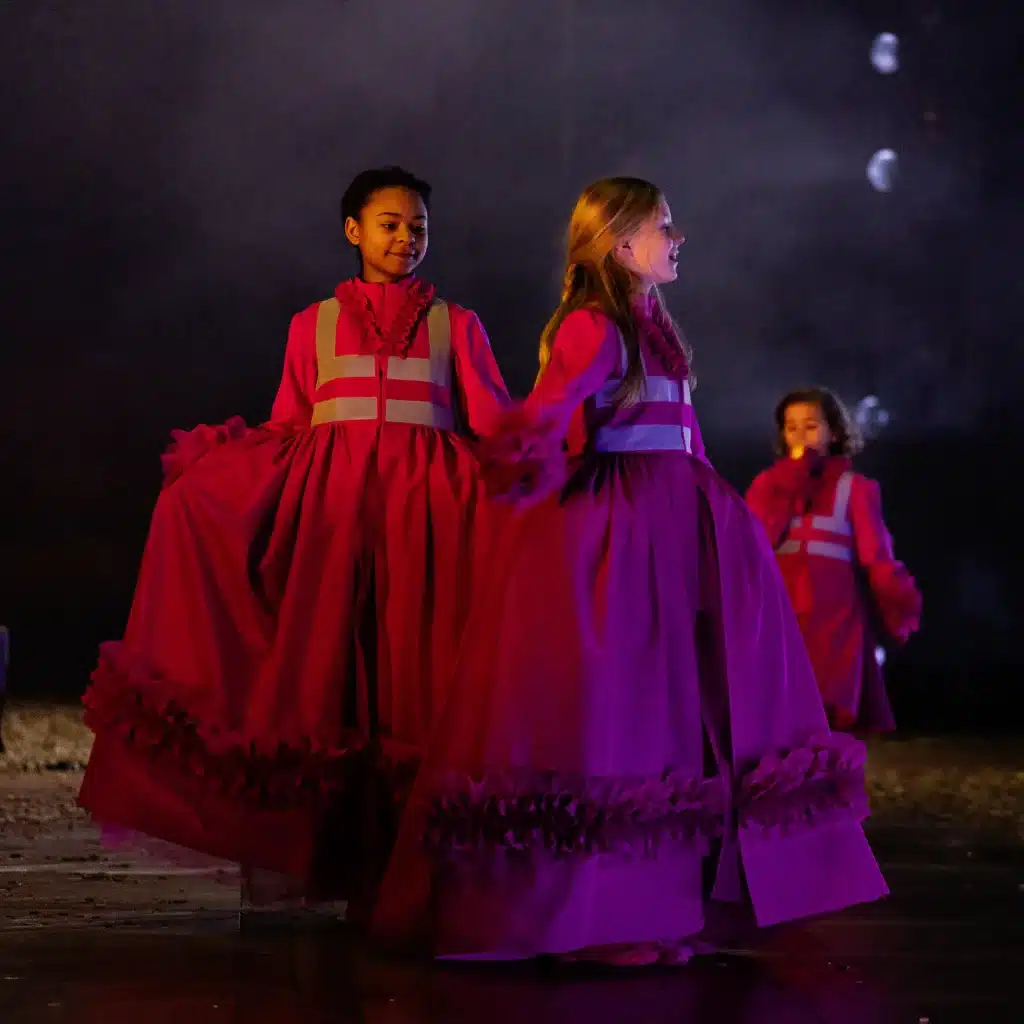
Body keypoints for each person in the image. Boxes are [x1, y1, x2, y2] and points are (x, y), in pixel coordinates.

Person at [370, 177, 888, 965]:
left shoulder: (653, 327)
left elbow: (682, 436)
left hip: (676, 529)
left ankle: (648, 910)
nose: (678, 239)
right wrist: (520, 457)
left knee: (673, 722)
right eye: (664, 226)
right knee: (618, 721)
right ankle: (591, 920)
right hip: (621, 534)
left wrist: (725, 526)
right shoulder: (593, 325)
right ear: (620, 243)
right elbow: (547, 412)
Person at [77, 166, 509, 905]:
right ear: (353, 231)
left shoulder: (456, 324)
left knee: (417, 677)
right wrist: (214, 480)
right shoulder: (312, 325)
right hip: (333, 517)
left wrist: (551, 461)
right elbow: (290, 423)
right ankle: (318, 860)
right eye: (390, 224)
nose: (406, 238)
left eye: (418, 227)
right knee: (328, 672)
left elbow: (495, 422)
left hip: (429, 519)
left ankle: (415, 874)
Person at [745, 388, 922, 734]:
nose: (800, 435)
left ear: (835, 432)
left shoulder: (855, 488)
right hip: (780, 612)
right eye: (791, 427)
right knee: (778, 707)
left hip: (833, 619)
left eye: (811, 426)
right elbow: (750, 548)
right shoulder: (766, 487)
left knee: (828, 708)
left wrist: (897, 601)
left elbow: (877, 556)